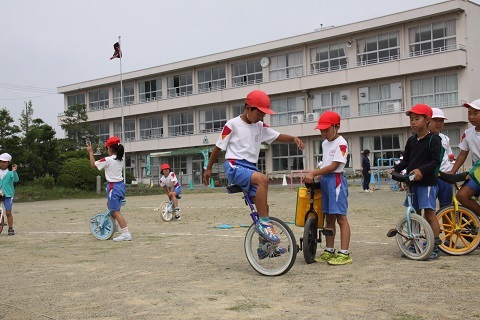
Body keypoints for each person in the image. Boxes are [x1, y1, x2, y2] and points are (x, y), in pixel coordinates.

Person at [203, 90, 304, 250]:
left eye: (264, 114)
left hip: (250, 168)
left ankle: (264, 247)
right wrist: (208, 168)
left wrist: (293, 138)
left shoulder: (260, 126)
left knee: (264, 207)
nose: (262, 117)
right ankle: (264, 225)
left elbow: (277, 136)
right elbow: (218, 146)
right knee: (263, 179)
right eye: (259, 113)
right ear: (248, 108)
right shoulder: (232, 124)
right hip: (234, 165)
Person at [389, 104, 442, 259]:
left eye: (417, 119)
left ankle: (435, 245)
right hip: (412, 183)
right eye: (411, 119)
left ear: (427, 120)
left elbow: (435, 162)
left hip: (427, 184)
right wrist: (395, 169)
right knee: (414, 212)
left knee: (429, 214)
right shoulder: (412, 140)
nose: (413, 122)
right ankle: (416, 243)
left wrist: (421, 170)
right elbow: (406, 160)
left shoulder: (434, 139)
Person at [304, 111, 352, 265]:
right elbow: (325, 164)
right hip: (325, 181)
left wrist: (314, 173)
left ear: (336, 126)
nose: (324, 133)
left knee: (341, 218)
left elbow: (334, 165)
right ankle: (329, 250)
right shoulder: (325, 143)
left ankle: (344, 253)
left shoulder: (342, 143)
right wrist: (316, 176)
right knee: (328, 218)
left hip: (336, 181)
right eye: (321, 130)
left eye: (327, 129)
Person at [87, 136, 132, 242]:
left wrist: (90, 152)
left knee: (116, 211)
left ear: (110, 148)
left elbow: (93, 165)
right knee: (110, 205)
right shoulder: (121, 159)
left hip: (113, 186)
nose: (106, 150)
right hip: (120, 185)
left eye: (107, 148)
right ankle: (114, 225)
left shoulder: (108, 159)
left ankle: (126, 233)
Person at [449, 99, 480, 216]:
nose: (471, 116)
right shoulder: (467, 133)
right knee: (461, 196)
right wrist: (452, 171)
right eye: (469, 113)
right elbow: (463, 154)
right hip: (477, 173)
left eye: (475, 113)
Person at [429, 108, 454, 207]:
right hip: (431, 177)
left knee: (446, 206)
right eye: (435, 120)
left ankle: (445, 223)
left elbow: (450, 156)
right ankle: (429, 223)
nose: (438, 123)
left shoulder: (445, 138)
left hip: (445, 176)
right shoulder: (424, 138)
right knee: (429, 207)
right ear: (428, 120)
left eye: (441, 121)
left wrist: (452, 171)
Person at [0, 153, 19, 236]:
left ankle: (10, 228)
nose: (2, 163)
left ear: (8, 163)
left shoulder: (10, 173)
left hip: (8, 195)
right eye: (0, 161)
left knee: (8, 212)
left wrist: (14, 172)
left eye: (4, 162)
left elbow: (16, 180)